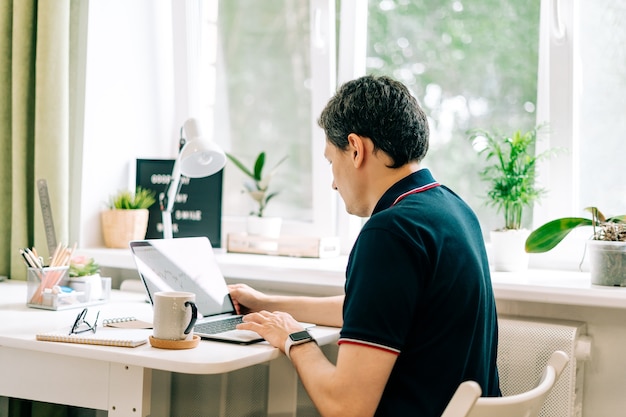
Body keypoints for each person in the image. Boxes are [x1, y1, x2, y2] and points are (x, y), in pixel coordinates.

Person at [230, 74, 500, 417]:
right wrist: (266, 304)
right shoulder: (451, 209)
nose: (332, 182)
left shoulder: (390, 232)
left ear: (355, 149)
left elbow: (347, 408)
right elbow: (375, 310)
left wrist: (295, 339)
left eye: (331, 160)